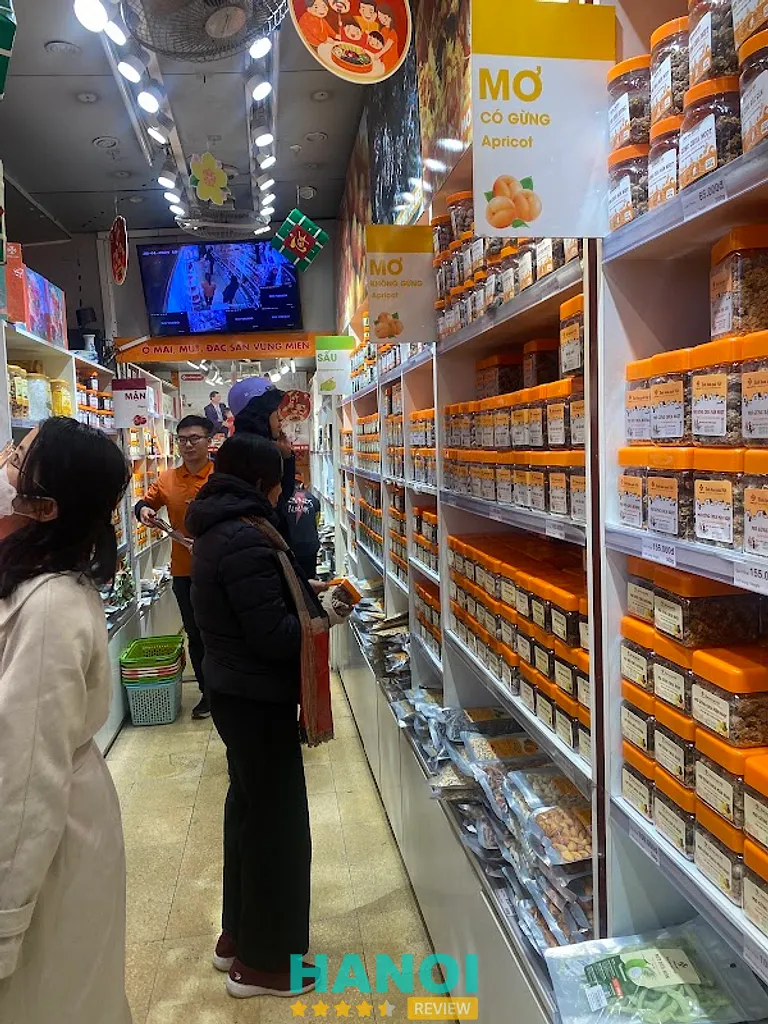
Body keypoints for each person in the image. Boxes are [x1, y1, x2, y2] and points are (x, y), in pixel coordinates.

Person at [186, 433, 333, 999]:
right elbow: (274, 636)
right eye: (276, 482)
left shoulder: (219, 528)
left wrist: (301, 592)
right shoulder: (246, 537)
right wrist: (326, 615)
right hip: (256, 698)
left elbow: (252, 606)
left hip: (235, 691)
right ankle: (265, 965)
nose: (280, 492)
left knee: (248, 812)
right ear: (256, 482)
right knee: (278, 827)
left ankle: (239, 937)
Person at [0, 418, 131, 1024]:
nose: (5, 464)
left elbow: (28, 776)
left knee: (53, 1000)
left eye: (16, 460)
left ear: (46, 506)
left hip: (48, 848)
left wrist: (5, 921)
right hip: (50, 829)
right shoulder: (32, 574)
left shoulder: (51, 605)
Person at [135, 414, 214, 719]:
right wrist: (143, 511)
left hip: (220, 569)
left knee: (222, 631)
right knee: (195, 633)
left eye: (195, 438)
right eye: (182, 439)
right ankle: (208, 694)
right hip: (184, 571)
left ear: (209, 441)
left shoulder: (222, 477)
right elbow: (145, 503)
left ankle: (229, 690)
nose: (188, 445)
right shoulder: (167, 479)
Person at [234, 387, 297, 542]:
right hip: (258, 531)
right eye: (279, 418)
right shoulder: (256, 449)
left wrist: (287, 457)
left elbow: (283, 495)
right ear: (265, 416)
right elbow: (281, 497)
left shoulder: (254, 443)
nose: (281, 424)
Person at [286, 475, 322, 580]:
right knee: (309, 579)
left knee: (293, 580)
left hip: (290, 547)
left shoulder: (282, 499)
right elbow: (316, 523)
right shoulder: (313, 499)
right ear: (301, 484)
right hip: (310, 546)